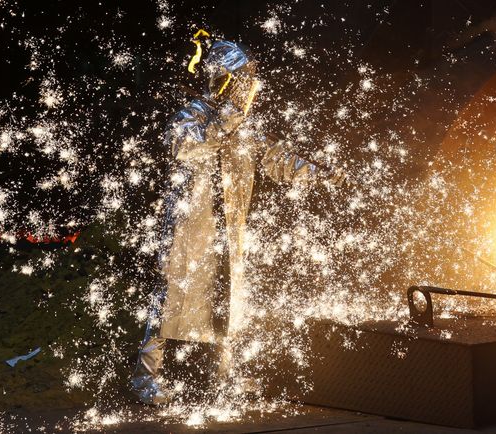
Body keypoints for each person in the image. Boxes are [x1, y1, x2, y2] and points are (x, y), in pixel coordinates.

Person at [130, 39, 344, 405]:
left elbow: (277, 159)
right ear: (221, 78)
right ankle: (145, 377)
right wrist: (231, 112)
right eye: (239, 79)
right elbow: (195, 146)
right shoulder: (190, 115)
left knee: (226, 299)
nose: (246, 87)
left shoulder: (242, 123)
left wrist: (319, 173)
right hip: (189, 227)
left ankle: (225, 378)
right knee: (169, 300)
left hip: (227, 227)